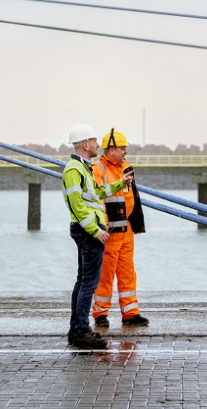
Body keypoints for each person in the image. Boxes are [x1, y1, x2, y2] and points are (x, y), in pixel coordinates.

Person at [63, 123, 132, 349]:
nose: (97, 145)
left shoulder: (84, 167)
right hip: (88, 231)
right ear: (85, 144)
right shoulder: (74, 170)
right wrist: (95, 230)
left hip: (88, 229)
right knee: (88, 283)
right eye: (94, 141)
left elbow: (96, 194)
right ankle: (81, 331)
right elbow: (77, 206)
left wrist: (121, 183)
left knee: (82, 280)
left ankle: (76, 329)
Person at [91, 129, 148, 328]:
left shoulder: (126, 167)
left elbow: (133, 197)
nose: (125, 152)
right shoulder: (97, 169)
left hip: (127, 230)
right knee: (105, 274)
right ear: (112, 149)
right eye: (122, 148)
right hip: (109, 231)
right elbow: (95, 195)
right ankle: (100, 313)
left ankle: (130, 313)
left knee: (127, 272)